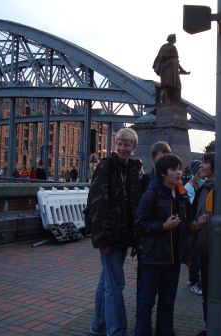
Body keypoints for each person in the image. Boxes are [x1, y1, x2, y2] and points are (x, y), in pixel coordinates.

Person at [88, 128, 142, 336]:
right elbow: (97, 205)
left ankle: (98, 325)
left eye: (126, 145)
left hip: (124, 236)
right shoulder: (106, 167)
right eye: (119, 144)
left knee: (107, 281)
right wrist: (103, 240)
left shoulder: (133, 169)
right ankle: (116, 331)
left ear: (133, 147)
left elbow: (135, 205)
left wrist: (135, 238)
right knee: (115, 285)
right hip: (110, 237)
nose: (122, 148)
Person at [134, 154, 193, 336]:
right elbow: (139, 224)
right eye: (173, 169)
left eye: (179, 168)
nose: (178, 173)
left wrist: (198, 226)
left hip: (172, 260)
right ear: (162, 174)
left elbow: (186, 226)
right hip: (152, 259)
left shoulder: (182, 195)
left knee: (168, 302)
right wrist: (163, 226)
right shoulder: (152, 193)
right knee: (146, 303)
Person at [192, 152, 221, 336]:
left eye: (205, 163)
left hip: (218, 250)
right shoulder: (203, 189)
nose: (201, 166)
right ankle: (211, 326)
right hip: (204, 247)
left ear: (215, 167)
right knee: (207, 292)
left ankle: (220, 328)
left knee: (217, 291)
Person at [184, 160, 203, 296]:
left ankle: (194, 279)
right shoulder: (190, 186)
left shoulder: (202, 183)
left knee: (197, 254)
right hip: (193, 224)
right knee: (194, 254)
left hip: (200, 223)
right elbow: (190, 204)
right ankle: (194, 280)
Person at [153, 34, 190, 103]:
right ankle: (167, 100)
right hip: (168, 68)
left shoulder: (174, 47)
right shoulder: (165, 46)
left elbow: (176, 61)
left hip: (174, 70)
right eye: (174, 38)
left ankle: (176, 101)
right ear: (171, 39)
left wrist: (182, 70)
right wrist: (171, 55)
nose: (175, 39)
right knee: (167, 83)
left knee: (177, 85)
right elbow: (161, 56)